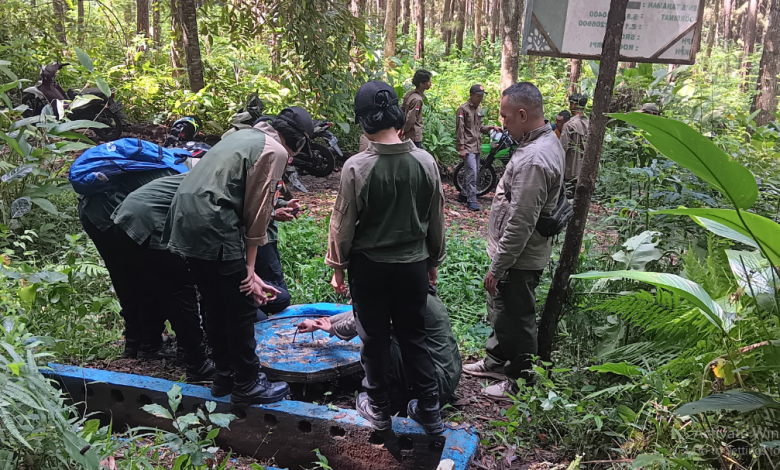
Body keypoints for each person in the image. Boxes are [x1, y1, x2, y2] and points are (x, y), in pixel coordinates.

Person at [165, 107, 315, 407]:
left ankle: (224, 376)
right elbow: (257, 212)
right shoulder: (274, 150)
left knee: (214, 300)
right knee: (241, 304)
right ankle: (247, 381)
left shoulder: (245, 135)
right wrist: (249, 267)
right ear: (298, 141)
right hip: (214, 220)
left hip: (183, 217)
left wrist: (247, 271)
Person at [325, 81, 447, 435]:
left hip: (370, 270)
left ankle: (377, 406)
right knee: (414, 337)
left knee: (374, 338)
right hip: (412, 268)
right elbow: (435, 219)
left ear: (363, 121)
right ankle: (429, 409)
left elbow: (342, 223)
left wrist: (337, 268)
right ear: (397, 113)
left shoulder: (356, 168)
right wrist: (433, 261)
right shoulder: (426, 162)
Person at [462, 82, 564, 401]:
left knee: (517, 319)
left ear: (522, 114)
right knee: (501, 311)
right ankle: (495, 360)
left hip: (519, 258)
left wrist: (498, 266)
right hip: (516, 254)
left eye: (505, 116)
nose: (502, 122)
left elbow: (521, 221)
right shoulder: (539, 141)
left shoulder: (535, 157)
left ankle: (520, 382)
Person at [111, 174, 216, 383]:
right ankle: (197, 363)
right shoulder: (225, 185)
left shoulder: (205, 173)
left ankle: (147, 347)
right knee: (180, 292)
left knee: (154, 286)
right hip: (150, 222)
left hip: (123, 218)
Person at [296, 284, 461, 411]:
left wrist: (332, 328)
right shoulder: (412, 287)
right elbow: (362, 313)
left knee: (375, 338)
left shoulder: (401, 299)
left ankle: (381, 403)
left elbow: (366, 319)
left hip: (436, 385)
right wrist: (322, 323)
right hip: (446, 376)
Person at [77, 168, 178, 360]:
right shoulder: (194, 176)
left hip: (92, 210)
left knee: (125, 276)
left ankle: (134, 343)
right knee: (151, 276)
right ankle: (150, 345)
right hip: (117, 210)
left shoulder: (170, 163)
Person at [253, 197, 301, 321]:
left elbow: (268, 197)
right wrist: (272, 215)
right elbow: (246, 210)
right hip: (253, 239)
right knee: (278, 294)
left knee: (278, 293)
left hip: (267, 237)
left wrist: (285, 204)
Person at [456, 84, 502, 211]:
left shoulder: (479, 109)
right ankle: (472, 200)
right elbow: (460, 130)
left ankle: (463, 194)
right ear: (471, 95)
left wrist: (491, 128)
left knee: (472, 171)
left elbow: (479, 128)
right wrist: (461, 147)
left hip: (477, 146)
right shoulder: (463, 109)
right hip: (468, 146)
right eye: (478, 96)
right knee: (472, 174)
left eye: (482, 96)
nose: (480, 98)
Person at [559, 94, 589, 195]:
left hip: (570, 172)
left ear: (574, 105)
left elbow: (562, 148)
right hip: (585, 172)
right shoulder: (590, 123)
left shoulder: (569, 125)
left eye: (571, 103)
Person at [400, 69, 432, 148]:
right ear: (421, 84)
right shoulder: (417, 99)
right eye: (428, 81)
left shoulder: (410, 94)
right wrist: (404, 130)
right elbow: (411, 118)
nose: (430, 83)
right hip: (414, 135)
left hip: (409, 135)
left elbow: (402, 109)